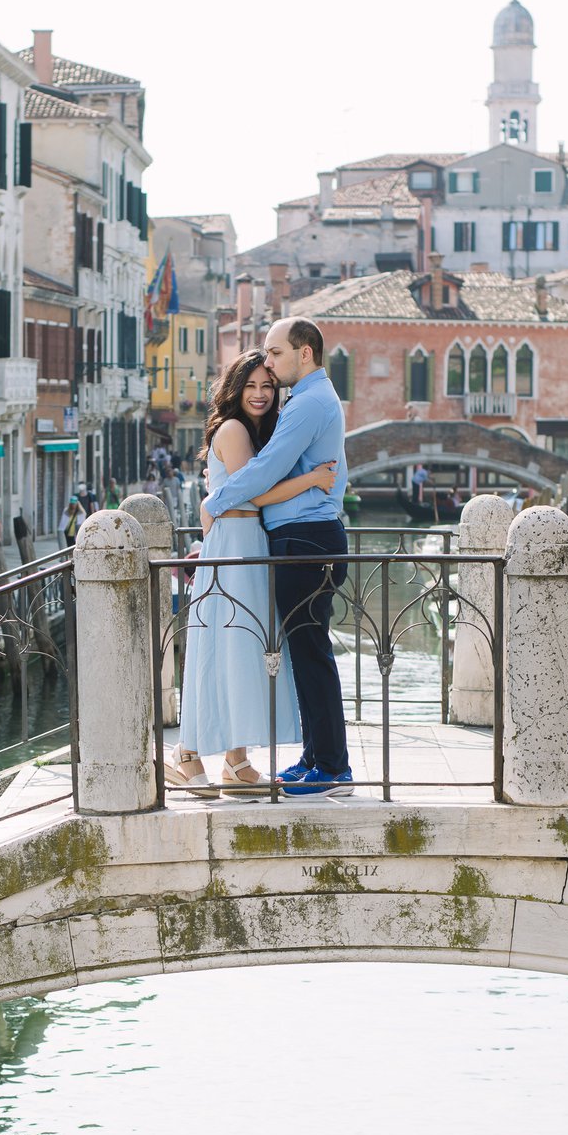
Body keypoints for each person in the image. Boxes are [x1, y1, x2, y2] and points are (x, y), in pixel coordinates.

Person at [168, 350, 336, 797]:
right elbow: (255, 493)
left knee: (241, 650)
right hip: (235, 544)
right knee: (225, 647)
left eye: (268, 387)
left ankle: (235, 761)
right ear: (235, 389)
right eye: (252, 387)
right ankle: (187, 755)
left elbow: (247, 492)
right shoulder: (235, 428)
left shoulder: (255, 432)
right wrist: (313, 479)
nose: (261, 395)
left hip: (248, 544)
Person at [202, 317, 352, 796]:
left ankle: (331, 769)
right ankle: (315, 757)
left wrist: (215, 500)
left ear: (304, 353)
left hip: (307, 539)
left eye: (276, 353)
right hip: (301, 539)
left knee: (311, 654)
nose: (269, 361)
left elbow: (266, 469)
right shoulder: (307, 401)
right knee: (303, 654)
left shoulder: (309, 404)